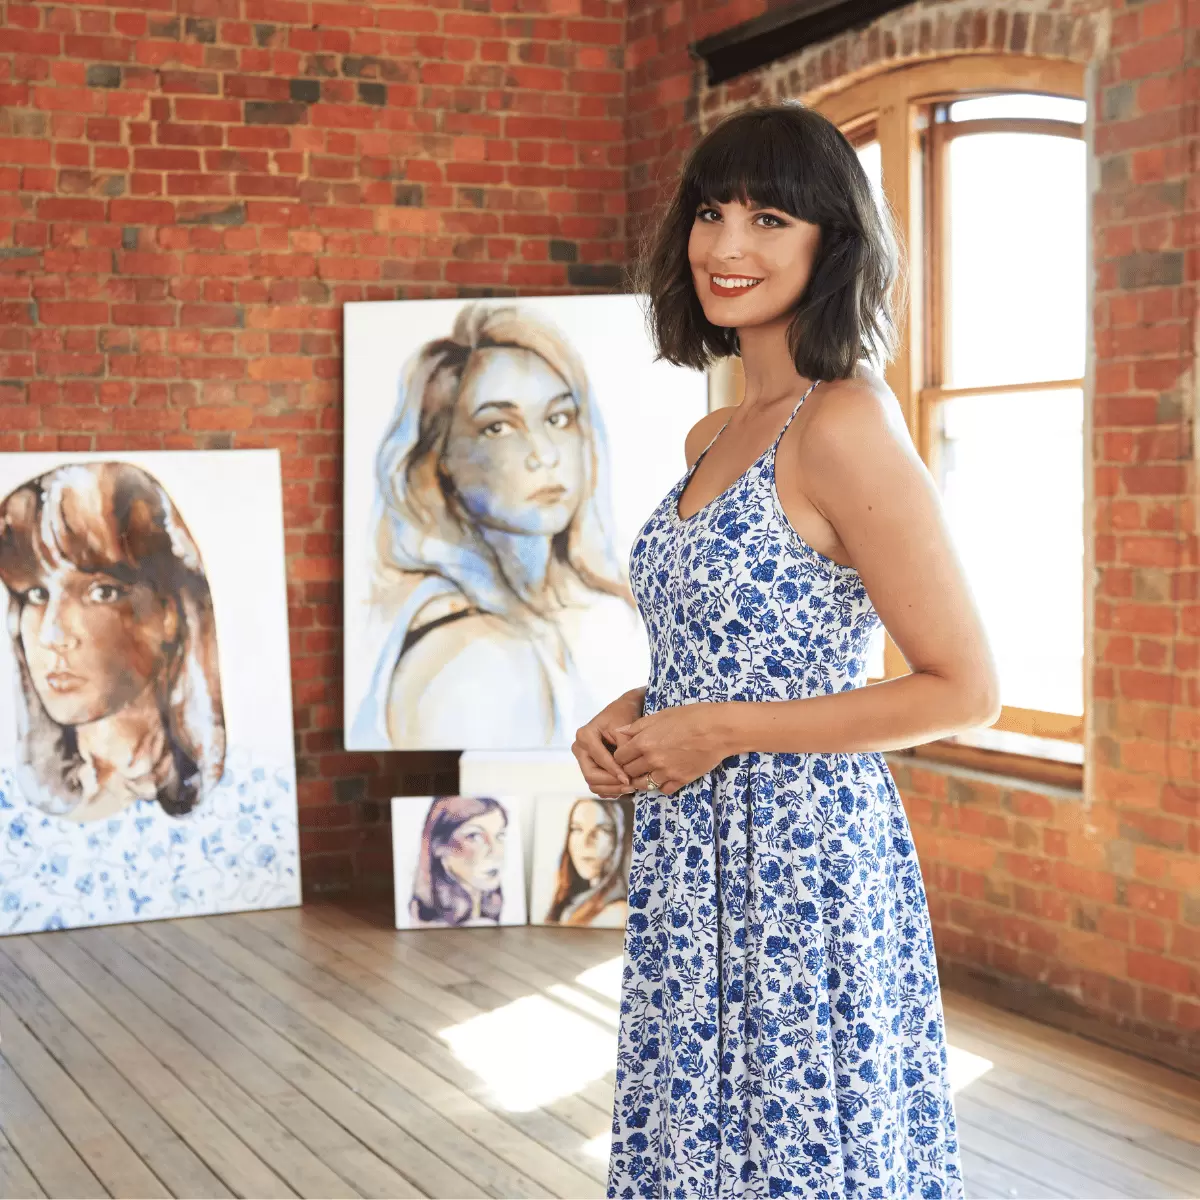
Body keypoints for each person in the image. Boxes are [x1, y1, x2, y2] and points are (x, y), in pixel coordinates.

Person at [573, 102, 999, 1198]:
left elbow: (966, 687)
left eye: (769, 218)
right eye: (711, 212)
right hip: (691, 853)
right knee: (701, 1144)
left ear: (830, 243)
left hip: (803, 862)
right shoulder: (713, 433)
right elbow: (731, 645)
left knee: (805, 1156)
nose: (725, 246)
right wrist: (637, 708)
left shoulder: (845, 421)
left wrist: (718, 729)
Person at [352, 302, 643, 750]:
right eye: (498, 428)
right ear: (441, 458)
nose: (544, 453)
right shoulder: (477, 652)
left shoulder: (537, 621)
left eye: (558, 418)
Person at [0, 462, 225, 823]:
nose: (52, 635)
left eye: (101, 591)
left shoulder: (243, 797)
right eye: (37, 595)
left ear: (170, 612)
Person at [409, 795, 511, 926]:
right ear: (439, 846)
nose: (495, 852)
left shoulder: (491, 910)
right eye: (474, 836)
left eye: (500, 835)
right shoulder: (427, 922)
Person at [545, 795, 633, 927]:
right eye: (577, 829)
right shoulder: (572, 899)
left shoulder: (617, 911)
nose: (585, 841)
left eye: (603, 830)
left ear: (622, 840)